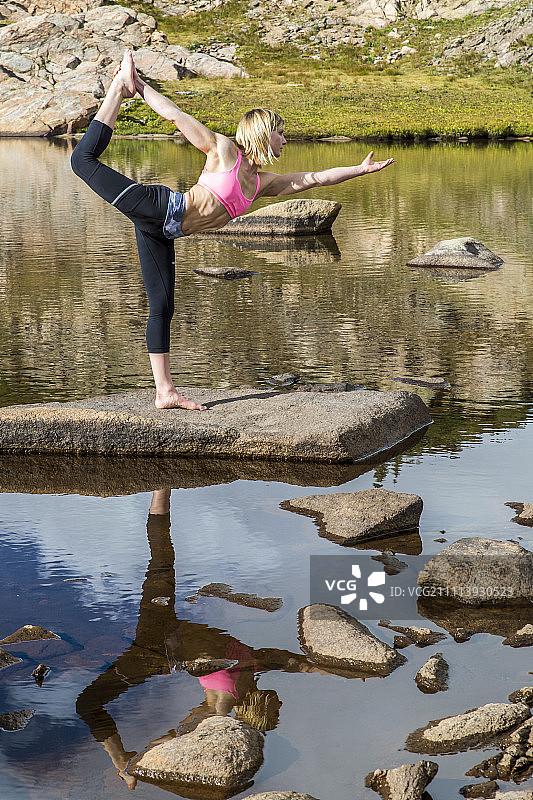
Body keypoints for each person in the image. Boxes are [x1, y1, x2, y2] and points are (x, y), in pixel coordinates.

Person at [71, 50, 394, 411]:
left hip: (164, 233)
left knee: (163, 305)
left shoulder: (262, 183)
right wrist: (139, 86)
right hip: (159, 206)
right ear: (262, 133)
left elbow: (312, 180)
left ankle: (165, 392)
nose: (285, 141)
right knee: (81, 161)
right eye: (280, 133)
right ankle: (118, 89)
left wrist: (359, 170)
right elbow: (176, 116)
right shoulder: (224, 151)